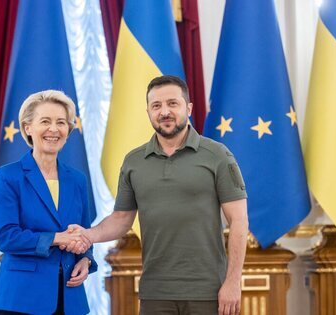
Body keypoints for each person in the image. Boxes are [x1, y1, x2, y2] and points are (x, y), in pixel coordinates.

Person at [69, 75, 248, 315]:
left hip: (208, 292)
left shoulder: (217, 155)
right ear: (148, 111)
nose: (165, 111)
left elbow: (239, 221)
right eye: (156, 106)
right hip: (155, 294)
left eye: (172, 103)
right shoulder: (134, 161)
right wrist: (88, 235)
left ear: (189, 108)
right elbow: (122, 219)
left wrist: (233, 282)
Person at [0, 90, 97, 315]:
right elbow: (6, 237)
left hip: (70, 299)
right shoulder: (7, 176)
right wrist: (57, 238)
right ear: (28, 127)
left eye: (61, 122)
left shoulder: (77, 179)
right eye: (45, 121)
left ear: (68, 130)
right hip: (21, 299)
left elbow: (84, 232)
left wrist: (85, 260)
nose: (53, 129)